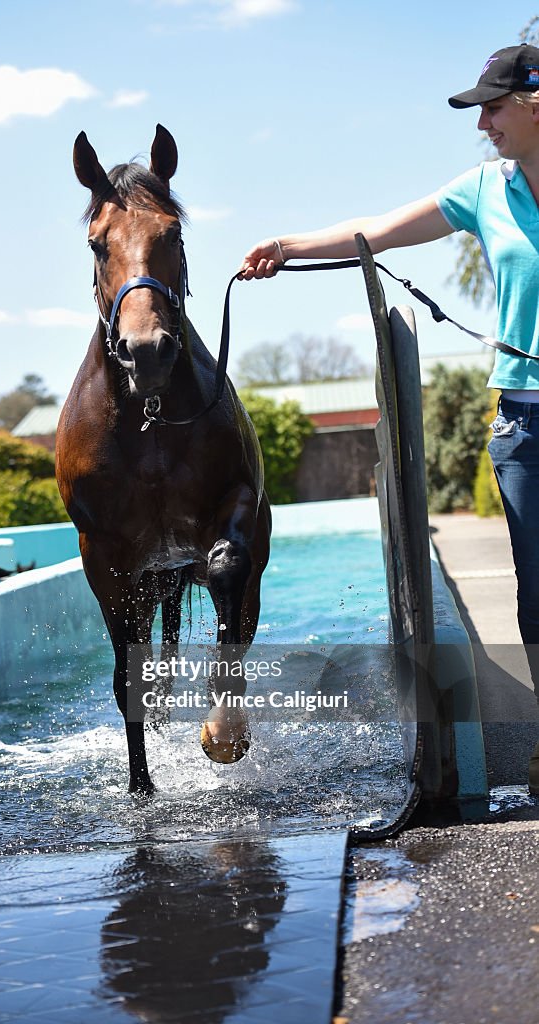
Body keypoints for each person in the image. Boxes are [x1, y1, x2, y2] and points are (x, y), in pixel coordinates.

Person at [240, 44, 539, 795]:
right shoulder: (484, 190)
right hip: (525, 425)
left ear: (536, 102)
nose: (485, 125)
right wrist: (287, 245)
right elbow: (379, 229)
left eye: (494, 107)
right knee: (537, 593)